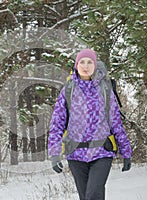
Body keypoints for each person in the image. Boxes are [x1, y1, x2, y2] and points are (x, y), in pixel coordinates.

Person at [48, 49, 132, 200]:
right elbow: (57, 123)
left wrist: (126, 152)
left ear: (95, 65)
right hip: (75, 153)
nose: (85, 66)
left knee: (94, 194)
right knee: (85, 196)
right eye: (82, 62)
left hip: (102, 151)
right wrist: (54, 154)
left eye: (89, 62)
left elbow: (116, 123)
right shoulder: (68, 90)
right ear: (76, 65)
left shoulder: (105, 89)